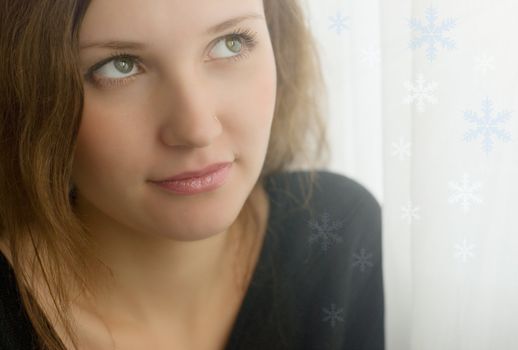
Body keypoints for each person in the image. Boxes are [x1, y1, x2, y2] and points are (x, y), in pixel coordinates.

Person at [0, 0, 384, 349]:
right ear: (26, 91)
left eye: (231, 43)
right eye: (121, 66)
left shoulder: (333, 234)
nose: (198, 129)